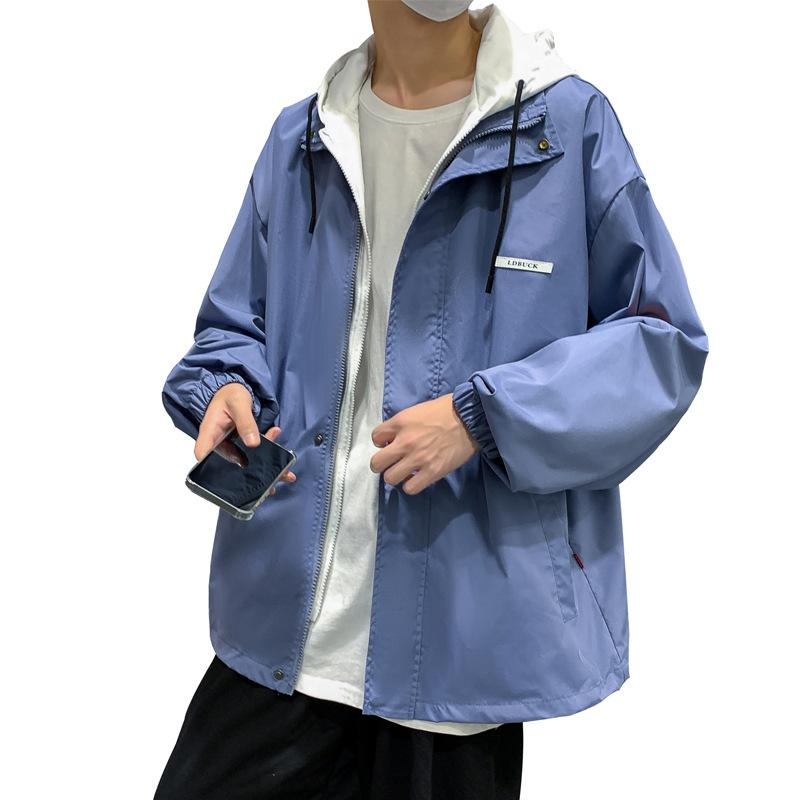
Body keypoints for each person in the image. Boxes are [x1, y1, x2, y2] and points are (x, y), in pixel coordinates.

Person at [155, 0, 708, 797]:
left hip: (458, 643)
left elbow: (661, 342)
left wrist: (483, 418)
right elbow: (235, 323)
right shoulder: (304, 136)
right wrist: (226, 387)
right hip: (287, 621)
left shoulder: (566, 126)